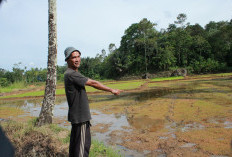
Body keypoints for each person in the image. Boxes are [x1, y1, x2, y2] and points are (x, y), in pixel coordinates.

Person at [64, 47, 121, 157]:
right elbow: (93, 83)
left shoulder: (70, 73)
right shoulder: (71, 74)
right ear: (67, 60)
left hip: (79, 117)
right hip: (81, 117)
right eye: (73, 57)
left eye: (78, 56)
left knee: (76, 147)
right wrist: (111, 90)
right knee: (82, 149)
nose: (77, 59)